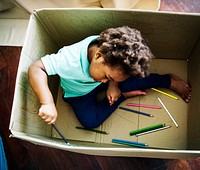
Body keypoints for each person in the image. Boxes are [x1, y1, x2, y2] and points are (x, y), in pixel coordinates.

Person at [28, 26, 191, 129]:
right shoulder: (67, 60)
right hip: (78, 93)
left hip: (101, 82)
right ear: (98, 56)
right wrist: (47, 102)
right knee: (90, 122)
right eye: (106, 76)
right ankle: (123, 97)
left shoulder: (111, 57)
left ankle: (166, 80)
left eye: (110, 77)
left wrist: (113, 84)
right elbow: (36, 68)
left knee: (131, 82)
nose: (105, 80)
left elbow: (112, 75)